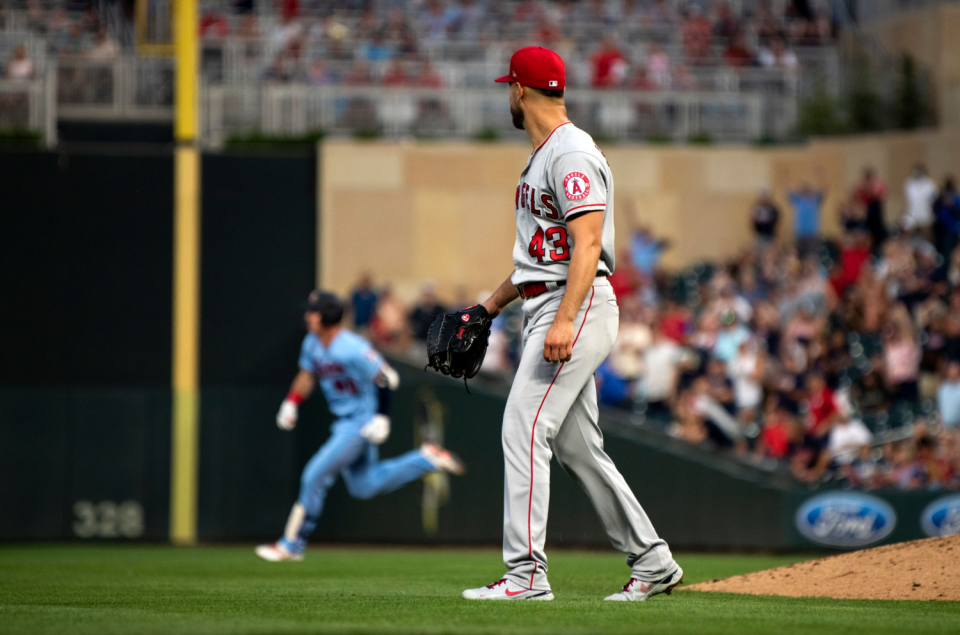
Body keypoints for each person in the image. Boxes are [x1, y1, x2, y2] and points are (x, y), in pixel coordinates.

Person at [461, 46, 682, 602]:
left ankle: (526, 576)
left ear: (519, 90)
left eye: (507, 88)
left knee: (524, 427)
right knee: (580, 448)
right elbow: (542, 258)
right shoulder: (546, 155)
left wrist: (563, 322)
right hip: (554, 300)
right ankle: (653, 562)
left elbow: (587, 245)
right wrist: (487, 307)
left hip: (573, 308)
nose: (507, 97)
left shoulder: (569, 153)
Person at [255, 291, 465, 562]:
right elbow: (307, 376)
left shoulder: (350, 346)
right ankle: (426, 459)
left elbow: (387, 378)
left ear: (326, 316)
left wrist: (381, 416)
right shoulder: (312, 343)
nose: (308, 315)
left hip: (360, 421)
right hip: (344, 420)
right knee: (364, 485)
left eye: (313, 311)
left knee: (314, 475)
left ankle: (292, 544)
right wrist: (292, 402)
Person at [903, 163, 938, 236]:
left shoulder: (930, 184)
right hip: (912, 217)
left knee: (926, 238)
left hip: (926, 217)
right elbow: (907, 201)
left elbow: (934, 201)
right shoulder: (909, 184)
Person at [938, 360, 960, 429]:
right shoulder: (943, 387)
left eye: (955, 368)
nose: (952, 370)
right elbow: (941, 407)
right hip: (946, 426)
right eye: (951, 368)